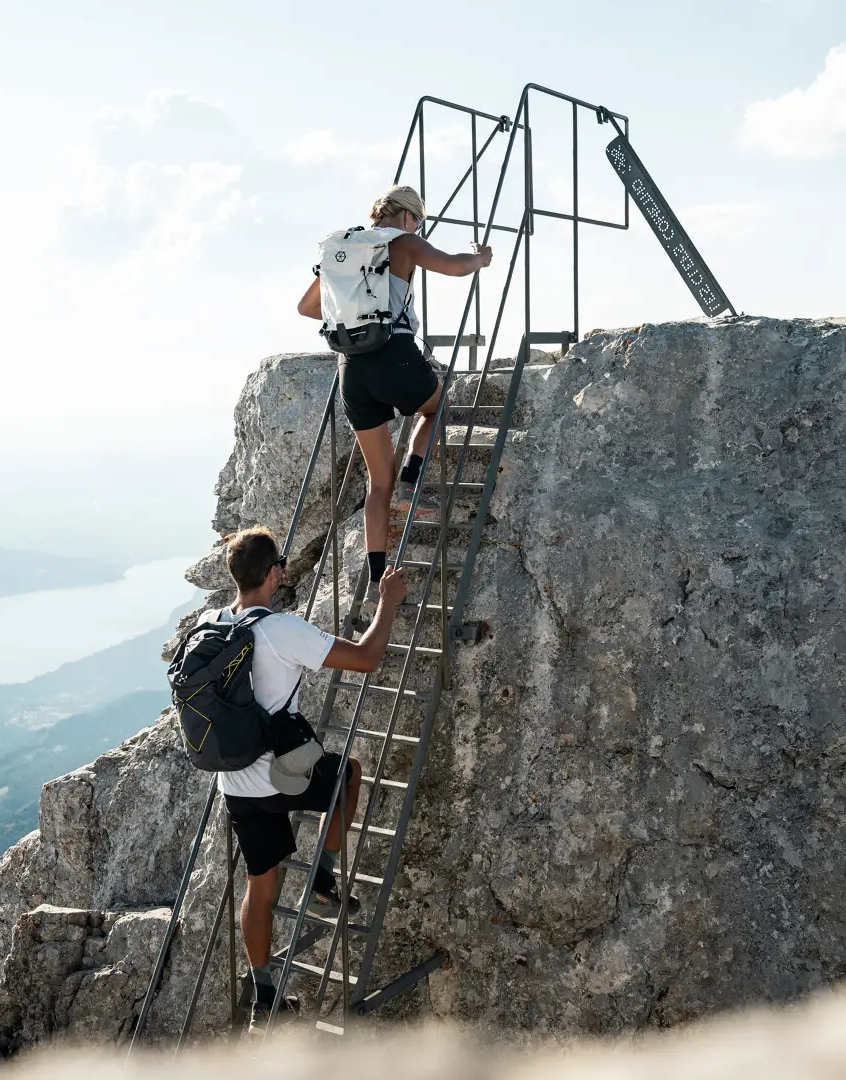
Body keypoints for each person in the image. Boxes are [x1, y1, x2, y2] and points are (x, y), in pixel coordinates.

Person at [205, 526, 408, 1028]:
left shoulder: (211, 624)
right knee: (348, 774)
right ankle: (324, 874)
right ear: (275, 573)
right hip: (280, 777)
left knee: (260, 886)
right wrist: (389, 601)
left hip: (234, 783)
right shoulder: (281, 630)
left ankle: (264, 997)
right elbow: (365, 658)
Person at [296, 185, 492, 606]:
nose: (417, 228)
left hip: (351, 368)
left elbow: (308, 308)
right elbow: (455, 267)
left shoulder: (342, 251)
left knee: (375, 483)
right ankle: (413, 475)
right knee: (439, 407)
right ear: (407, 217)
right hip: (395, 356)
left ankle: (374, 581)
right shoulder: (403, 242)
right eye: (418, 222)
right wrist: (480, 258)